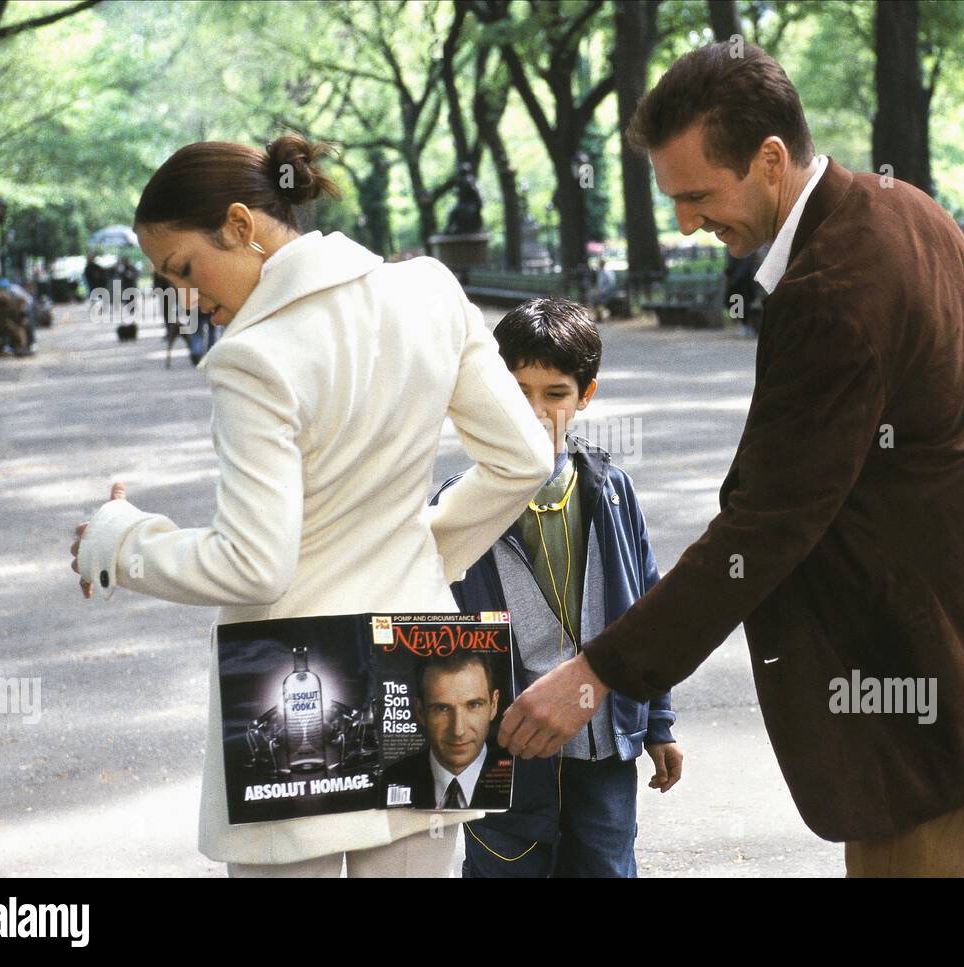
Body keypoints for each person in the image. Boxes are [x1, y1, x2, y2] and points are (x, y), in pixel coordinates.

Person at [498, 42, 964, 878]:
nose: (687, 222)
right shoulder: (901, 203)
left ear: (770, 161)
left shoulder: (832, 290)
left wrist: (599, 671)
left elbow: (767, 524)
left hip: (941, 687)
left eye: (696, 195)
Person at [68, 134, 553, 878]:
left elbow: (256, 565)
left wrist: (125, 542)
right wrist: (426, 552)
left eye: (184, 270)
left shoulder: (252, 358)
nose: (184, 298)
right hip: (421, 656)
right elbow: (525, 458)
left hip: (288, 681)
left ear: (240, 224)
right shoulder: (428, 289)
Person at [435, 297, 680, 878]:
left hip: (604, 746)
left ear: (585, 396)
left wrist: (660, 724)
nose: (536, 413)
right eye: (517, 392)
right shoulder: (456, 508)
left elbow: (649, 611)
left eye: (555, 394)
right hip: (505, 756)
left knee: (606, 865)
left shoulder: (613, 494)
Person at [383, 652, 512, 810]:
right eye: (442, 708)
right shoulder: (390, 780)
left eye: (474, 705)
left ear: (494, 704)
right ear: (420, 711)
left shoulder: (524, 778)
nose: (458, 731)